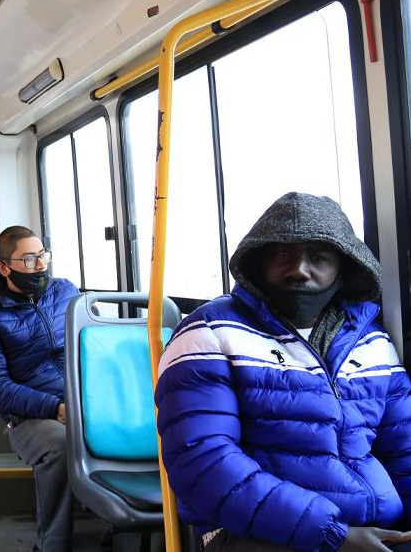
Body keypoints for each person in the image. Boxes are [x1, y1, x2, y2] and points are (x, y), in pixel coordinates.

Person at [155, 192, 411, 552]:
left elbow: (404, 447)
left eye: (318, 257)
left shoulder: (372, 344)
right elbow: (203, 461)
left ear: (343, 267)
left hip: (372, 524)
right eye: (282, 255)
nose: (299, 269)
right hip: (252, 529)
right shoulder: (210, 332)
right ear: (259, 262)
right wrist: (331, 535)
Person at [0, 225, 79, 552]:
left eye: (42, 255)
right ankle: (53, 546)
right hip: (30, 415)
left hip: (84, 402)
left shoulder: (67, 292)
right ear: (4, 267)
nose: (41, 265)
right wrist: (54, 409)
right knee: (58, 445)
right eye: (29, 260)